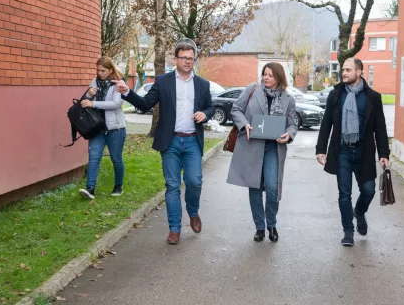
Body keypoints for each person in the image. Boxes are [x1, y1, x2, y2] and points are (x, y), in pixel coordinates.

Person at [114, 38, 214, 245]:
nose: (187, 61)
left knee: (195, 182)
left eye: (190, 58)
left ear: (194, 59)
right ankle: (174, 229)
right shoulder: (163, 81)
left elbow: (210, 107)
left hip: (193, 141)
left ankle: (193, 212)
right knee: (172, 186)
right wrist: (128, 93)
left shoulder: (203, 85)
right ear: (175, 59)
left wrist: (205, 114)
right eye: (183, 57)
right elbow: (144, 104)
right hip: (171, 142)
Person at [316, 58, 390, 246]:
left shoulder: (373, 97)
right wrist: (321, 149)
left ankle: (359, 212)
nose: (344, 73)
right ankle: (348, 231)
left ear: (359, 72)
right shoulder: (336, 95)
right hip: (342, 151)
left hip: (364, 152)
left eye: (348, 70)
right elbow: (327, 124)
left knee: (369, 190)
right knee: (344, 194)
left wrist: (384, 154)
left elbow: (380, 128)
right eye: (343, 70)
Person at [227, 63, 298, 242]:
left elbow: (292, 124)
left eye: (270, 75)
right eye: (264, 74)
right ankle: (259, 227)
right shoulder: (252, 90)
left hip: (274, 147)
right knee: (255, 187)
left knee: (273, 188)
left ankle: (271, 223)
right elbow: (236, 109)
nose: (266, 78)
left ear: (279, 78)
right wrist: (244, 124)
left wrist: (288, 135)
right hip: (253, 146)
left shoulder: (288, 99)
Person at [78, 56, 127, 199]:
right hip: (97, 127)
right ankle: (90, 188)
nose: (99, 73)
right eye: (98, 70)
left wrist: (94, 104)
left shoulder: (118, 84)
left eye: (103, 70)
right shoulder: (94, 82)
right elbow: (84, 102)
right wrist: (88, 95)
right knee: (94, 157)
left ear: (110, 69)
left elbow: (116, 104)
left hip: (115, 129)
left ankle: (118, 185)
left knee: (116, 158)